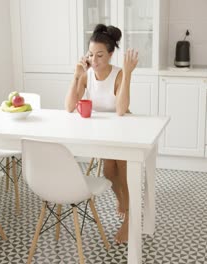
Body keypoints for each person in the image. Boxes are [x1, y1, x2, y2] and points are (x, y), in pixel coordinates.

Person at [65, 24, 138, 244]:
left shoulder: (118, 74)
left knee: (124, 176)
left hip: (123, 131)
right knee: (108, 173)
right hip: (105, 133)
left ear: (110, 54)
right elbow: (69, 107)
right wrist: (76, 76)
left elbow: (121, 110)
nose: (94, 60)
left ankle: (129, 221)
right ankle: (123, 202)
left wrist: (128, 74)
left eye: (100, 55)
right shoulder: (87, 74)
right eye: (90, 55)